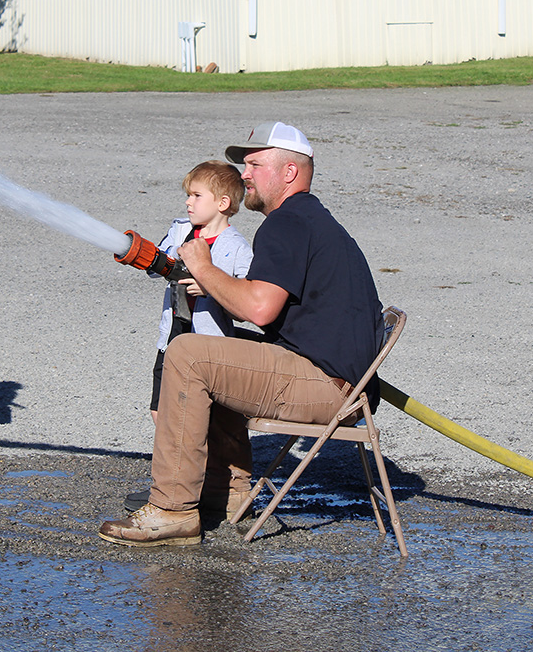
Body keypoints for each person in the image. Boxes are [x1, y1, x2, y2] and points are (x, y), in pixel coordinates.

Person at [98, 122, 385, 547]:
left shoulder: (287, 223)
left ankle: (171, 510)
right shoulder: (305, 219)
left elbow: (258, 308)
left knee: (188, 353)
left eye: (254, 164)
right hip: (338, 381)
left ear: (289, 173)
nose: (244, 173)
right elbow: (264, 313)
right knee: (217, 349)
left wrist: (205, 268)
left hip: (327, 386)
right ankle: (228, 493)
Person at [122, 160, 253, 512]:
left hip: (209, 345)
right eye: (188, 195)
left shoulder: (236, 247)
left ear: (223, 203)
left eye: (196, 195)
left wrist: (211, 286)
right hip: (173, 339)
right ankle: (176, 483)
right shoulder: (180, 231)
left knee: (206, 417)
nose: (188, 202)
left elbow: (247, 295)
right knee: (160, 412)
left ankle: (208, 486)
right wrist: (138, 254)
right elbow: (159, 266)